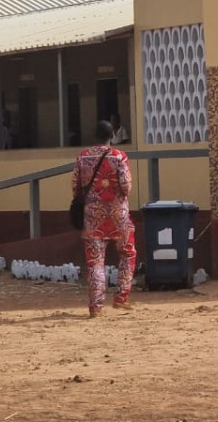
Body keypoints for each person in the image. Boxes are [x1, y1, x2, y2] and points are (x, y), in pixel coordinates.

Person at [72, 118, 137, 317]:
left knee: (95, 262)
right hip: (119, 216)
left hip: (93, 217)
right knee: (127, 254)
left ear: (95, 136)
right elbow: (126, 187)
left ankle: (96, 306)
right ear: (112, 136)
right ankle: (121, 297)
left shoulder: (82, 157)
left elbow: (76, 188)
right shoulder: (119, 157)